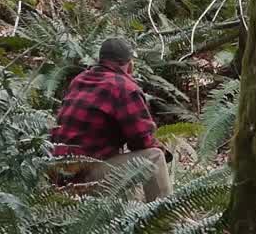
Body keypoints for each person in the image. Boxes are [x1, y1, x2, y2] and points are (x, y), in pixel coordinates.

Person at [50, 38, 174, 201]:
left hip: (57, 175)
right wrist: (166, 153)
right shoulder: (124, 87)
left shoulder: (81, 79)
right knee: (155, 157)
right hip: (84, 178)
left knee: (124, 162)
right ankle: (165, 217)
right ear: (129, 64)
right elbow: (141, 140)